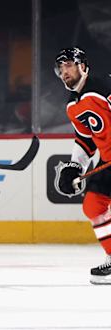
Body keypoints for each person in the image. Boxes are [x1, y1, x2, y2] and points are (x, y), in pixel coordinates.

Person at [54, 47, 111, 284]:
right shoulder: (72, 105)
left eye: (70, 64)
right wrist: (74, 166)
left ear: (83, 67)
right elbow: (86, 139)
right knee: (93, 205)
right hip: (108, 162)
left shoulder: (103, 87)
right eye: (62, 67)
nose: (65, 71)